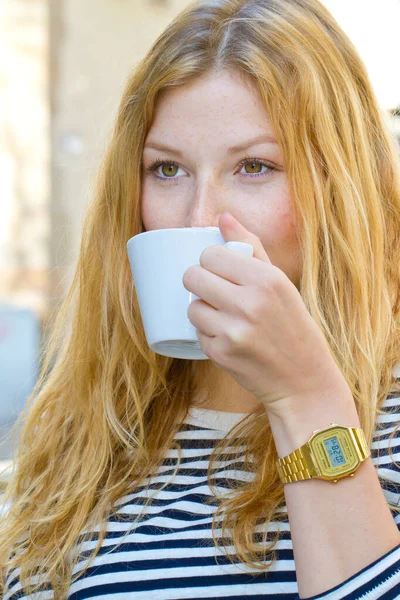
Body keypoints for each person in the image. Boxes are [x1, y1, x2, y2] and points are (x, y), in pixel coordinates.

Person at [1, 0, 400, 597]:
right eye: (167, 170)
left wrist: (306, 397)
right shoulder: (80, 443)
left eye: (255, 166)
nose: (199, 217)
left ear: (338, 186)